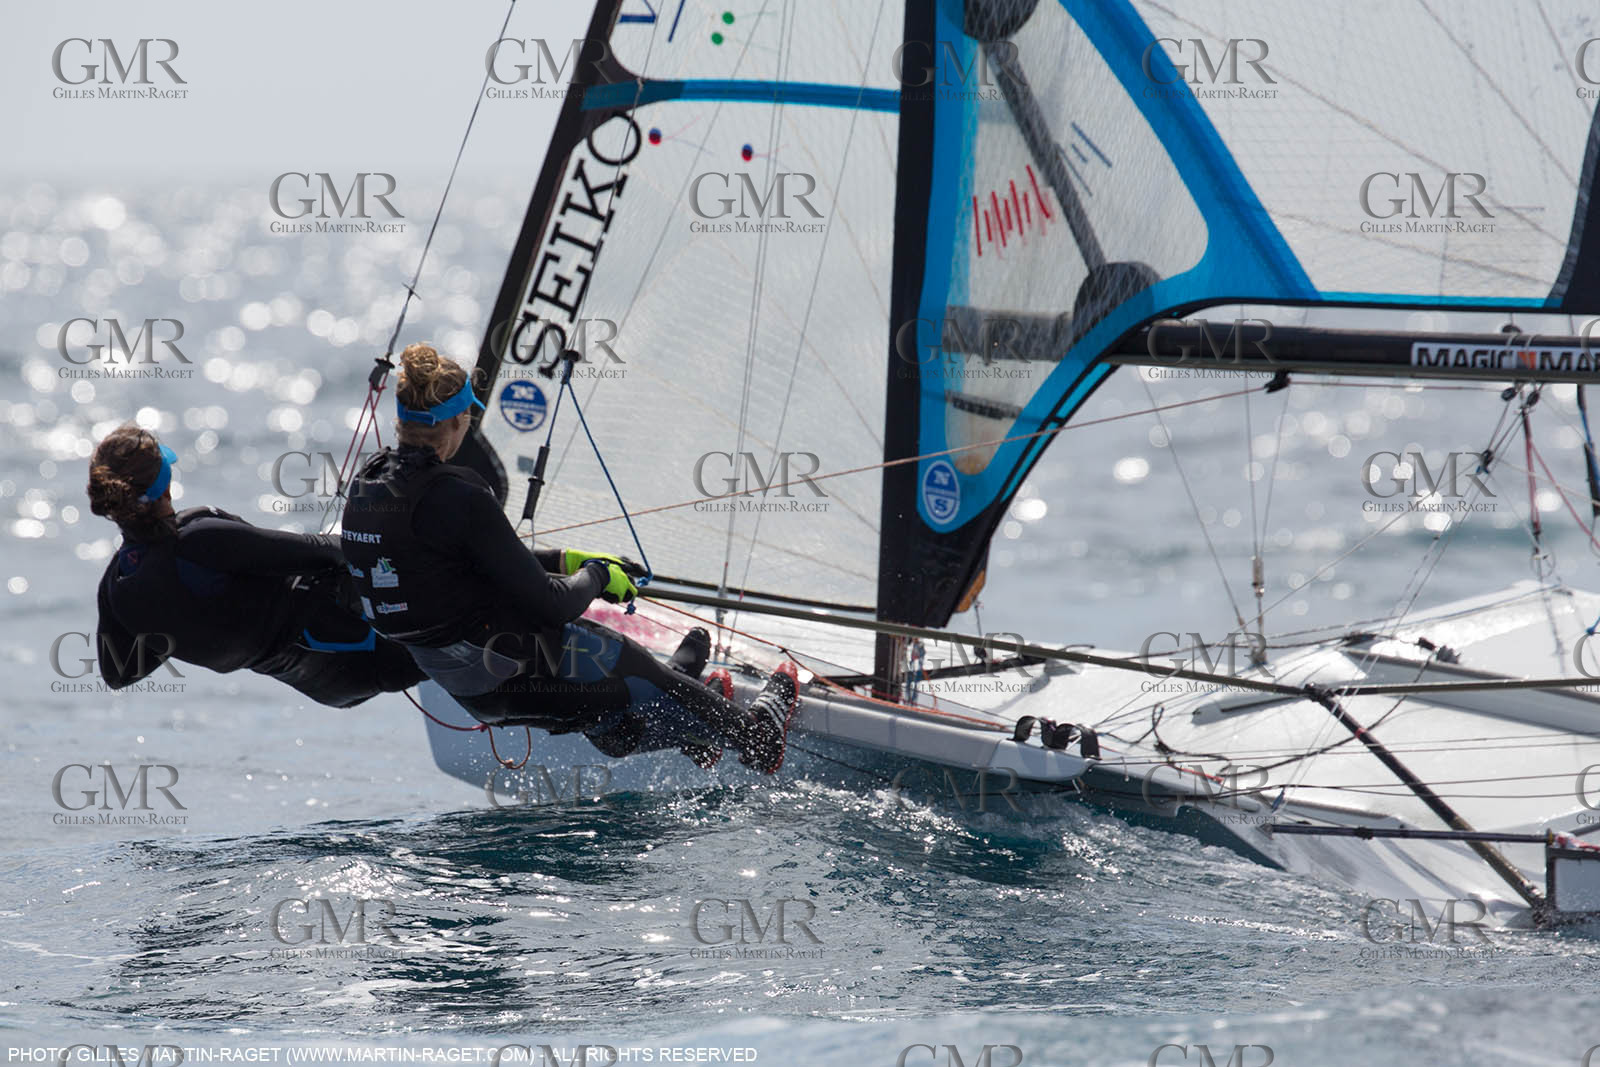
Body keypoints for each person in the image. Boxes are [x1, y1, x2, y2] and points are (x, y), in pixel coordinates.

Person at [338, 342, 798, 772]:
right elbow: (553, 604)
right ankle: (757, 738)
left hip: (474, 694)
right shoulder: (460, 496)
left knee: (612, 724)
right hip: (526, 667)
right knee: (614, 657)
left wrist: (565, 559)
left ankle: (694, 713)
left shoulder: (367, 486)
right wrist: (598, 575)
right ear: (459, 422)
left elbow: (462, 560)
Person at [88, 423, 428, 707]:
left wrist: (185, 613)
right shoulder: (196, 541)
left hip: (331, 688)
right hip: (371, 648)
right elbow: (323, 550)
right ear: (166, 484)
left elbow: (118, 674)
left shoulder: (119, 585)